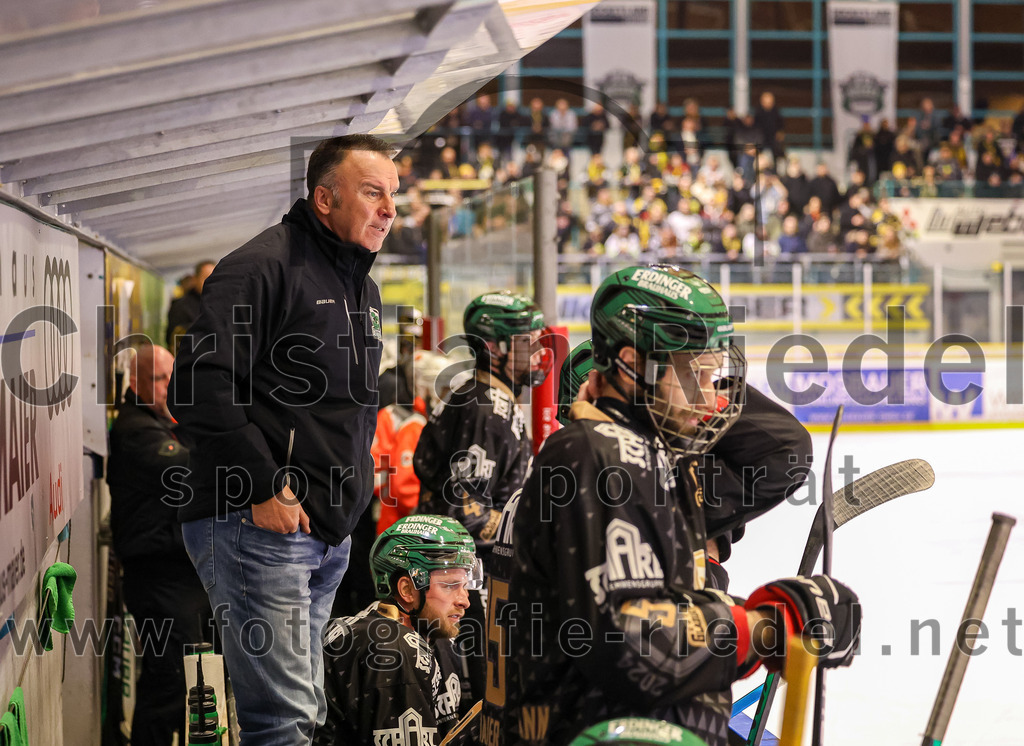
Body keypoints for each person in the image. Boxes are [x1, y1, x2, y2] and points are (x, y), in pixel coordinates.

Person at [499, 265, 861, 746]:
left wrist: (767, 616)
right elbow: (628, 643)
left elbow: (659, 606)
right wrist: (760, 628)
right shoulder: (597, 456)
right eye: (696, 374)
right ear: (631, 364)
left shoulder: (650, 458)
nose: (712, 398)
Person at [168, 133, 398, 744]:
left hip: (322, 532)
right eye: (373, 193)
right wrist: (263, 486)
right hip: (259, 524)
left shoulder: (361, 287)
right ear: (324, 198)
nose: (389, 211)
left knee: (303, 714)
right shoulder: (262, 266)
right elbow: (198, 387)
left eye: (393, 196)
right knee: (285, 723)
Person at [413, 291, 550, 702]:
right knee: (482, 702)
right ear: (495, 349)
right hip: (471, 590)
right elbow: (465, 513)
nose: (540, 355)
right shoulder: (486, 409)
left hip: (467, 585)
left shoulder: (479, 396)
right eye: (529, 344)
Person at [107, 344, 212, 746]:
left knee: (186, 681)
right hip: (157, 580)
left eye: (172, 377)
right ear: (135, 381)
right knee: (169, 683)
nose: (169, 386)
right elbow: (186, 466)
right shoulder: (136, 429)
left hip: (180, 579)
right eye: (159, 379)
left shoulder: (161, 420)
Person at [314, 515, 482, 745]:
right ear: (407, 589)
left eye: (464, 586)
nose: (465, 601)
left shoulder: (433, 632)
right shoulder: (393, 650)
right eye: (450, 585)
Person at [165, 259, 214, 352]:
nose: (212, 282)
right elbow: (173, 340)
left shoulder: (220, 304)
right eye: (207, 278)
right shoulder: (181, 306)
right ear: (195, 279)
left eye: (215, 278)